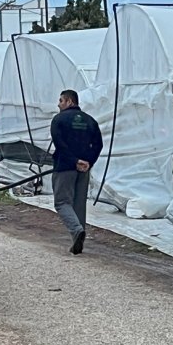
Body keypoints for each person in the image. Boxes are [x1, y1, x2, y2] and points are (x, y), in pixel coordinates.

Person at [50, 89, 103, 255]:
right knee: (79, 204)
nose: (58, 104)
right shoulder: (90, 121)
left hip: (65, 167)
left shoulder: (59, 120)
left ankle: (76, 230)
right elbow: (98, 144)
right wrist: (88, 162)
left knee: (62, 202)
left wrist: (74, 161)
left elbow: (60, 144)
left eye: (61, 101)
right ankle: (78, 241)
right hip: (83, 169)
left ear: (69, 102)